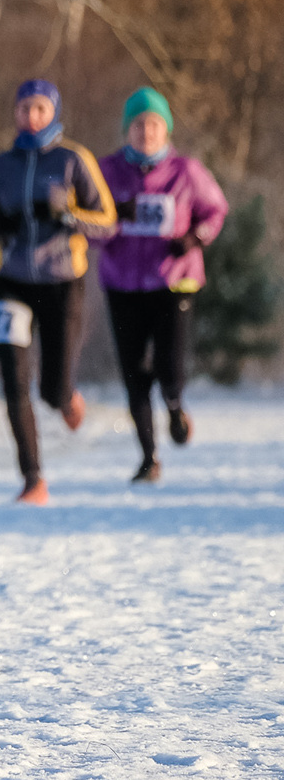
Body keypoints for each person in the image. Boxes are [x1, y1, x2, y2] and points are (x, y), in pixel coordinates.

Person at [0, 78, 115, 505]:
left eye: (39, 108)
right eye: (24, 109)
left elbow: (107, 223)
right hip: (10, 281)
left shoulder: (73, 159)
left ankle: (67, 396)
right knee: (14, 382)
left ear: (53, 111)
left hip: (60, 282)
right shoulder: (2, 165)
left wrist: (68, 216)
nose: (31, 116)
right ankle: (33, 479)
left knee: (51, 390)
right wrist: (1, 227)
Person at [97, 87, 228, 485]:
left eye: (154, 124)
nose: (146, 132)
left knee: (169, 366)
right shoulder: (106, 172)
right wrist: (111, 217)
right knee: (134, 372)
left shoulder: (186, 171)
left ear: (166, 129)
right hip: (122, 283)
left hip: (174, 282)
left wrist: (194, 238)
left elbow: (216, 210)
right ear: (126, 130)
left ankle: (174, 405)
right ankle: (148, 457)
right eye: (138, 124)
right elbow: (85, 220)